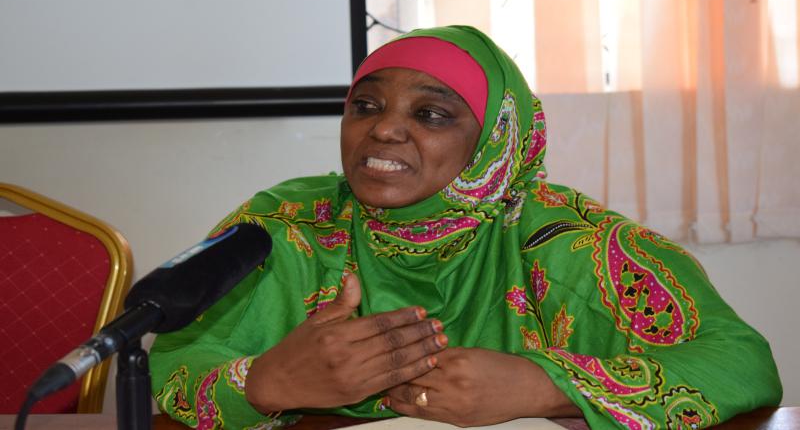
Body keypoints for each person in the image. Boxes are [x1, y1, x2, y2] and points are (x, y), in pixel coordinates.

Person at [149, 26, 782, 429]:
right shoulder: (287, 227)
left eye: (431, 114)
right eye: (365, 106)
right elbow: (178, 355)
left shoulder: (567, 240)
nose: (383, 129)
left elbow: (740, 362)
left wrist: (545, 387)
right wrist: (265, 383)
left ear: (494, 140)